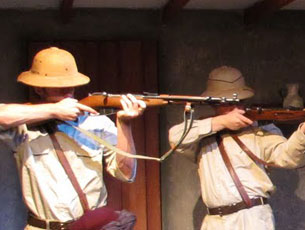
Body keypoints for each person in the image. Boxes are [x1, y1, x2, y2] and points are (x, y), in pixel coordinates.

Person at [0, 47, 146, 230]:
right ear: (38, 88)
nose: (68, 90)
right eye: (59, 86)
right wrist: (53, 110)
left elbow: (126, 173)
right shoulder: (24, 126)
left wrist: (124, 124)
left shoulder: (97, 123)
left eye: (70, 84)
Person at [169, 65, 305, 230]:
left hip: (251, 218)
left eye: (239, 101)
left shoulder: (259, 129)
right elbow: (175, 137)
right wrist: (220, 122)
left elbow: (287, 157)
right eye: (227, 103)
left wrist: (302, 133)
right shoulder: (204, 132)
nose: (236, 107)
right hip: (214, 221)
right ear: (215, 104)